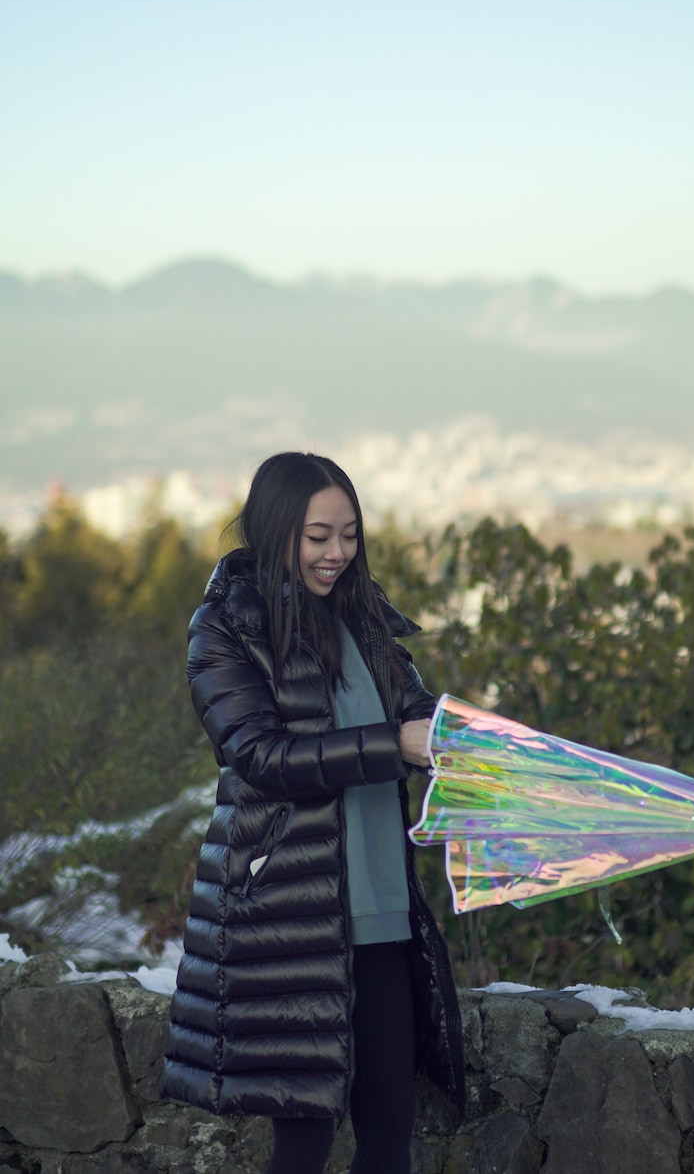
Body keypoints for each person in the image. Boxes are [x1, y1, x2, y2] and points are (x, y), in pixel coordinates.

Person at [161, 452, 465, 1174]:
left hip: (384, 915)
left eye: (350, 535)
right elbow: (260, 757)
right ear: (276, 531)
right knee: (303, 1147)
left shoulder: (366, 621)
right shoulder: (226, 631)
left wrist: (458, 739)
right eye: (318, 536)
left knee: (390, 1142)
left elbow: (418, 716)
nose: (338, 554)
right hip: (288, 921)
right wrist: (392, 744)